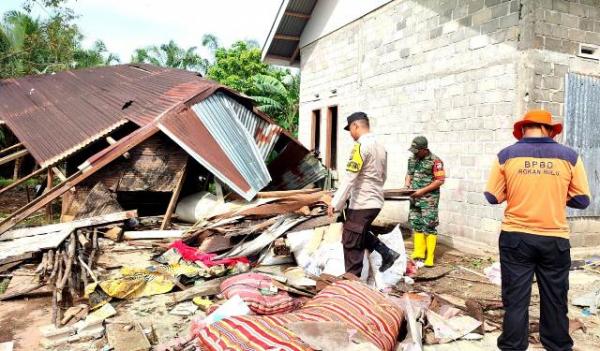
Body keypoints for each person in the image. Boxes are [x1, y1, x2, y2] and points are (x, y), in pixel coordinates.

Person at [484, 110, 591, 351]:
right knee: (555, 298)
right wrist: (555, 194)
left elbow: (492, 196)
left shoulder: (506, 155)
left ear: (523, 129)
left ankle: (513, 346)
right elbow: (582, 200)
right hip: (554, 239)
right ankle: (558, 346)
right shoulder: (570, 156)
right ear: (550, 130)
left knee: (515, 299)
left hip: (516, 238)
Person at [327, 111, 399, 276]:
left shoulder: (360, 146)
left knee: (351, 242)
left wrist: (335, 203)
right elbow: (383, 176)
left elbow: (349, 178)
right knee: (358, 233)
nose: (351, 134)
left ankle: (351, 283)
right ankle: (386, 253)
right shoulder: (381, 147)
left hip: (362, 203)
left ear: (355, 126)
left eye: (350, 130)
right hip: (375, 201)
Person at [405, 136, 445, 267]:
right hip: (414, 197)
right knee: (416, 223)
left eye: (416, 150)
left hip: (429, 199)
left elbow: (440, 180)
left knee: (429, 225)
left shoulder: (436, 161)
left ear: (424, 149)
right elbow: (409, 174)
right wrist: (407, 186)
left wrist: (422, 191)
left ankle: (430, 257)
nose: (414, 153)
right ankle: (419, 252)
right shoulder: (412, 159)